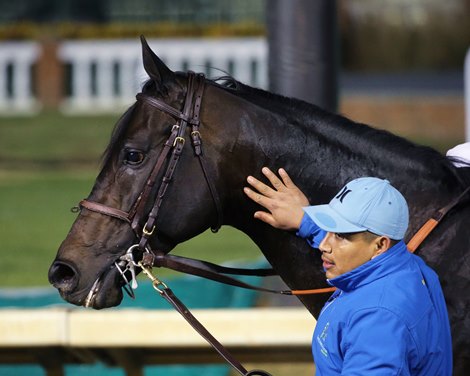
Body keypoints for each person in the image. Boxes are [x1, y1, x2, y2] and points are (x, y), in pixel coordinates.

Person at [244, 167, 452, 375]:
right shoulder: (406, 266)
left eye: (341, 236)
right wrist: (306, 221)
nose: (324, 245)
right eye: (330, 229)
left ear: (380, 245)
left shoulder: (377, 319)